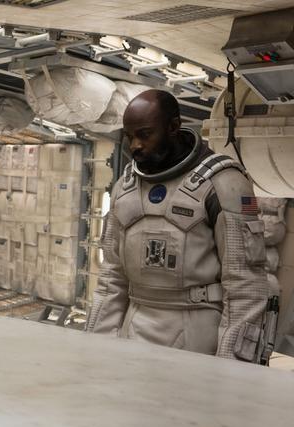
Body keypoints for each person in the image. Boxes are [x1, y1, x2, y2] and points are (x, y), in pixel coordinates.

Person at [86, 89, 268, 361]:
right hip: (133, 331)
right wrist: (94, 351)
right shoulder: (125, 188)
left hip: (198, 338)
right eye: (129, 136)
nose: (135, 145)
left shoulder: (224, 184)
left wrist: (232, 367)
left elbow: (245, 286)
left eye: (145, 134)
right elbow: (112, 279)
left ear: (173, 127)